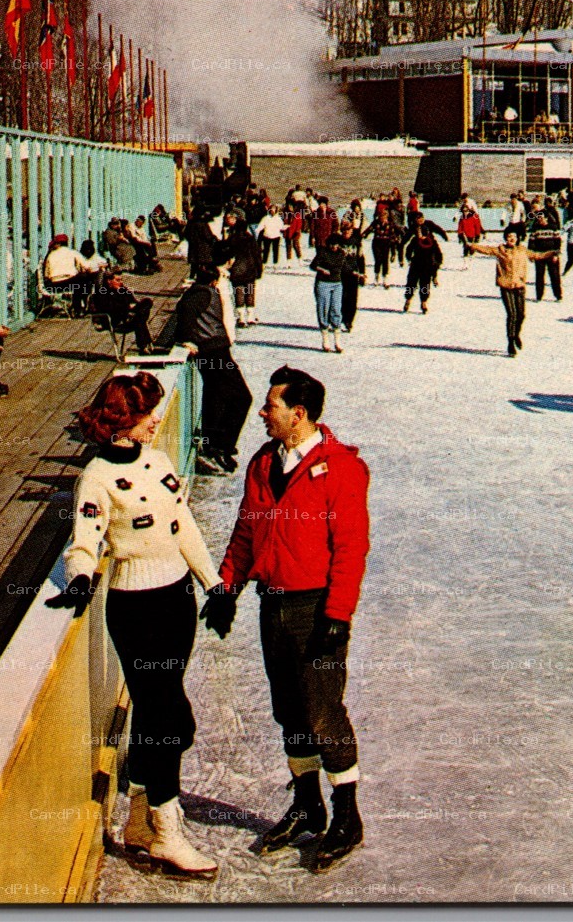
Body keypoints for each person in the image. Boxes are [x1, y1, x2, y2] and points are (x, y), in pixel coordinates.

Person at [49, 372, 222, 879]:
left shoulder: (159, 460)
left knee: (160, 715)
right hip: (135, 607)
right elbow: (84, 540)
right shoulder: (97, 477)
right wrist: (80, 580)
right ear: (124, 422)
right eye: (148, 417)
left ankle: (142, 822)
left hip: (176, 600)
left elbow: (181, 523)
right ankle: (167, 834)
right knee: (168, 719)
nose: (156, 424)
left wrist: (212, 582)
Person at [208, 366, 371, 872]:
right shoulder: (262, 462)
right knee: (289, 713)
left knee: (323, 714)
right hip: (272, 603)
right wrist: (227, 586)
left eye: (270, 406)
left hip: (315, 608)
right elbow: (245, 529)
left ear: (298, 414)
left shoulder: (340, 467)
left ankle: (347, 816)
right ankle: (307, 804)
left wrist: (338, 615)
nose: (262, 412)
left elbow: (351, 549)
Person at [159, 265, 252, 475]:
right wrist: (185, 339)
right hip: (214, 350)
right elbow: (185, 313)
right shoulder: (203, 293)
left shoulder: (200, 291)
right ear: (213, 280)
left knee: (216, 397)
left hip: (213, 349)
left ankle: (214, 444)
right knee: (241, 397)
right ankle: (219, 445)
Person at [467, 229, 558, 356]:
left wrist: (552, 252)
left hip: (519, 285)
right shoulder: (500, 250)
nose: (511, 238)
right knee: (512, 314)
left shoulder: (522, 250)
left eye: (514, 236)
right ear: (506, 238)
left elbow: (537, 255)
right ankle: (510, 342)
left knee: (521, 315)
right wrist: (472, 246)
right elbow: (486, 250)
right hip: (506, 285)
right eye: (509, 236)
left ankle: (516, 335)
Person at [90, 269, 156, 354]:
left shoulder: (123, 289)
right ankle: (145, 344)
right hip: (116, 321)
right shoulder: (102, 293)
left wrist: (132, 306)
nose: (120, 282)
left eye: (121, 280)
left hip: (129, 317)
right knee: (140, 318)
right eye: (117, 280)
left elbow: (134, 302)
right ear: (109, 281)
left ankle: (143, 346)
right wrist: (127, 307)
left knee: (147, 302)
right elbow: (110, 309)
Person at [43, 233, 104, 314]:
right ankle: (79, 307)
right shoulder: (73, 253)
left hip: (54, 285)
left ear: (58, 244)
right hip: (70, 283)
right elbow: (87, 266)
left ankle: (77, 307)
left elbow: (46, 275)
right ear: (67, 243)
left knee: (78, 283)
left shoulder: (51, 255)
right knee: (82, 281)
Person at [226, 208, 264, 328]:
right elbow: (257, 255)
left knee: (239, 293)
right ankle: (251, 316)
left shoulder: (232, 239)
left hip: (237, 269)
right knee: (250, 292)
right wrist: (259, 269)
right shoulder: (250, 239)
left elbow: (227, 253)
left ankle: (241, 318)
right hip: (250, 269)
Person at [334, 219, 367, 332]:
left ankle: (349, 321)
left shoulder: (356, 242)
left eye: (349, 230)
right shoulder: (337, 242)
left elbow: (361, 258)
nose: (346, 232)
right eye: (344, 230)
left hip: (353, 274)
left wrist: (362, 274)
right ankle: (342, 318)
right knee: (342, 297)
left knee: (352, 299)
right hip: (340, 274)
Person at [402, 225, 443, 314]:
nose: (417, 233)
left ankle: (423, 302)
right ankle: (408, 300)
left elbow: (438, 255)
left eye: (419, 232)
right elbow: (408, 250)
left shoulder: (432, 242)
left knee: (424, 285)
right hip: (416, 266)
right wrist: (409, 258)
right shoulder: (415, 240)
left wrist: (436, 265)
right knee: (411, 284)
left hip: (427, 267)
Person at [528, 207, 565, 302]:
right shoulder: (535, 229)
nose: (540, 219)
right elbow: (531, 242)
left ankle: (558, 296)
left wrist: (556, 254)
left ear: (546, 218)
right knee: (539, 276)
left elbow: (558, 242)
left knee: (554, 276)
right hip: (539, 255)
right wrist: (531, 254)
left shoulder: (553, 227)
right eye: (538, 218)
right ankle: (539, 296)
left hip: (551, 255)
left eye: (542, 217)